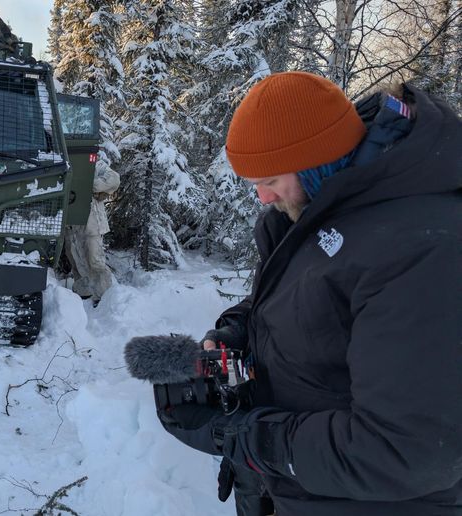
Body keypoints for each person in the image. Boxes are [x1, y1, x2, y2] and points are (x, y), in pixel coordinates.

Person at [162, 71, 462, 515]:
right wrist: (240, 330)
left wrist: (248, 439)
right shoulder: (325, 204)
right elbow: (310, 298)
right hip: (297, 489)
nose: (263, 197)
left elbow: (409, 452)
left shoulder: (423, 246)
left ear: (316, 158)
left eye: (271, 179)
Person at [65, 162, 120, 301]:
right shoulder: (62, 160)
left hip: (92, 221)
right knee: (75, 257)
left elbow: (114, 178)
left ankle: (104, 296)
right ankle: (83, 292)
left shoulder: (94, 164)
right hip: (71, 221)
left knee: (95, 259)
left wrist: (91, 185)